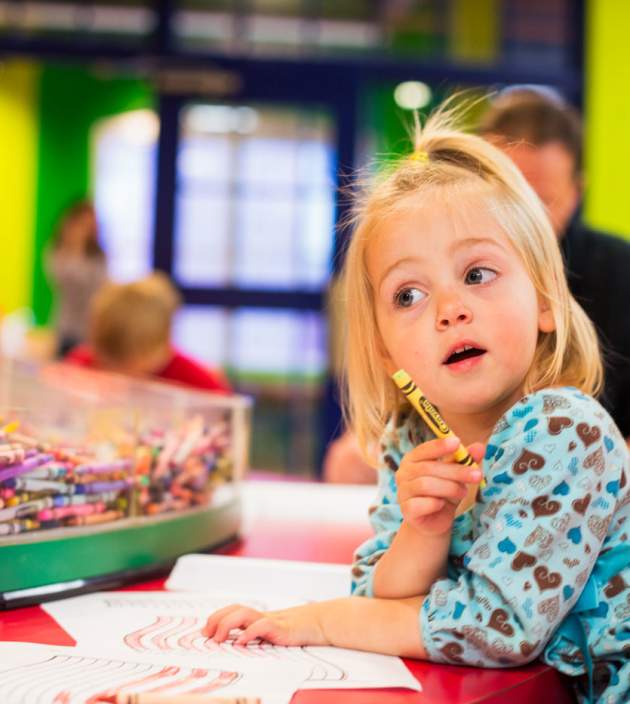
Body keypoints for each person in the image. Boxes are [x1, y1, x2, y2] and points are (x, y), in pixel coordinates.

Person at [202, 102, 629, 704]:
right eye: (408, 294)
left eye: (477, 274)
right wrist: (424, 531)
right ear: (384, 351)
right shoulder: (413, 437)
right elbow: (381, 593)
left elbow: (498, 628)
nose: (448, 308)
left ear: (545, 302)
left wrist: (315, 621)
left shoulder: (564, 430)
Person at [479, 86, 630, 441]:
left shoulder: (620, 271)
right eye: (505, 197)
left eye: (542, 202)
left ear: (577, 192)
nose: (521, 219)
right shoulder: (446, 269)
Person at [65, 272, 231, 394]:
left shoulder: (193, 379)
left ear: (164, 344)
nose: (124, 377)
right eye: (111, 364)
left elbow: (224, 408)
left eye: (134, 366)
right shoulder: (81, 365)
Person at [45, 200, 108, 357]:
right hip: (67, 330)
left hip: (91, 330)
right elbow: (65, 282)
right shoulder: (58, 251)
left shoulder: (98, 255)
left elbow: (100, 287)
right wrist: (76, 246)